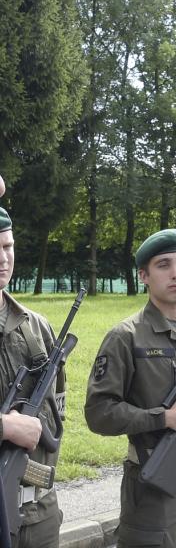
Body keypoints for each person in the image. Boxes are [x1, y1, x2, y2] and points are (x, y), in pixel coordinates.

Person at [84, 229, 176, 548]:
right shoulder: (125, 337)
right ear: (144, 275)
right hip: (153, 488)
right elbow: (99, 413)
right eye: (164, 265)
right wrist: (163, 419)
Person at [0, 208, 65, 548]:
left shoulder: (37, 327)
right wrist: (5, 428)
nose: (3, 258)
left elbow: (58, 408)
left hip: (39, 515)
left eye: (8, 246)